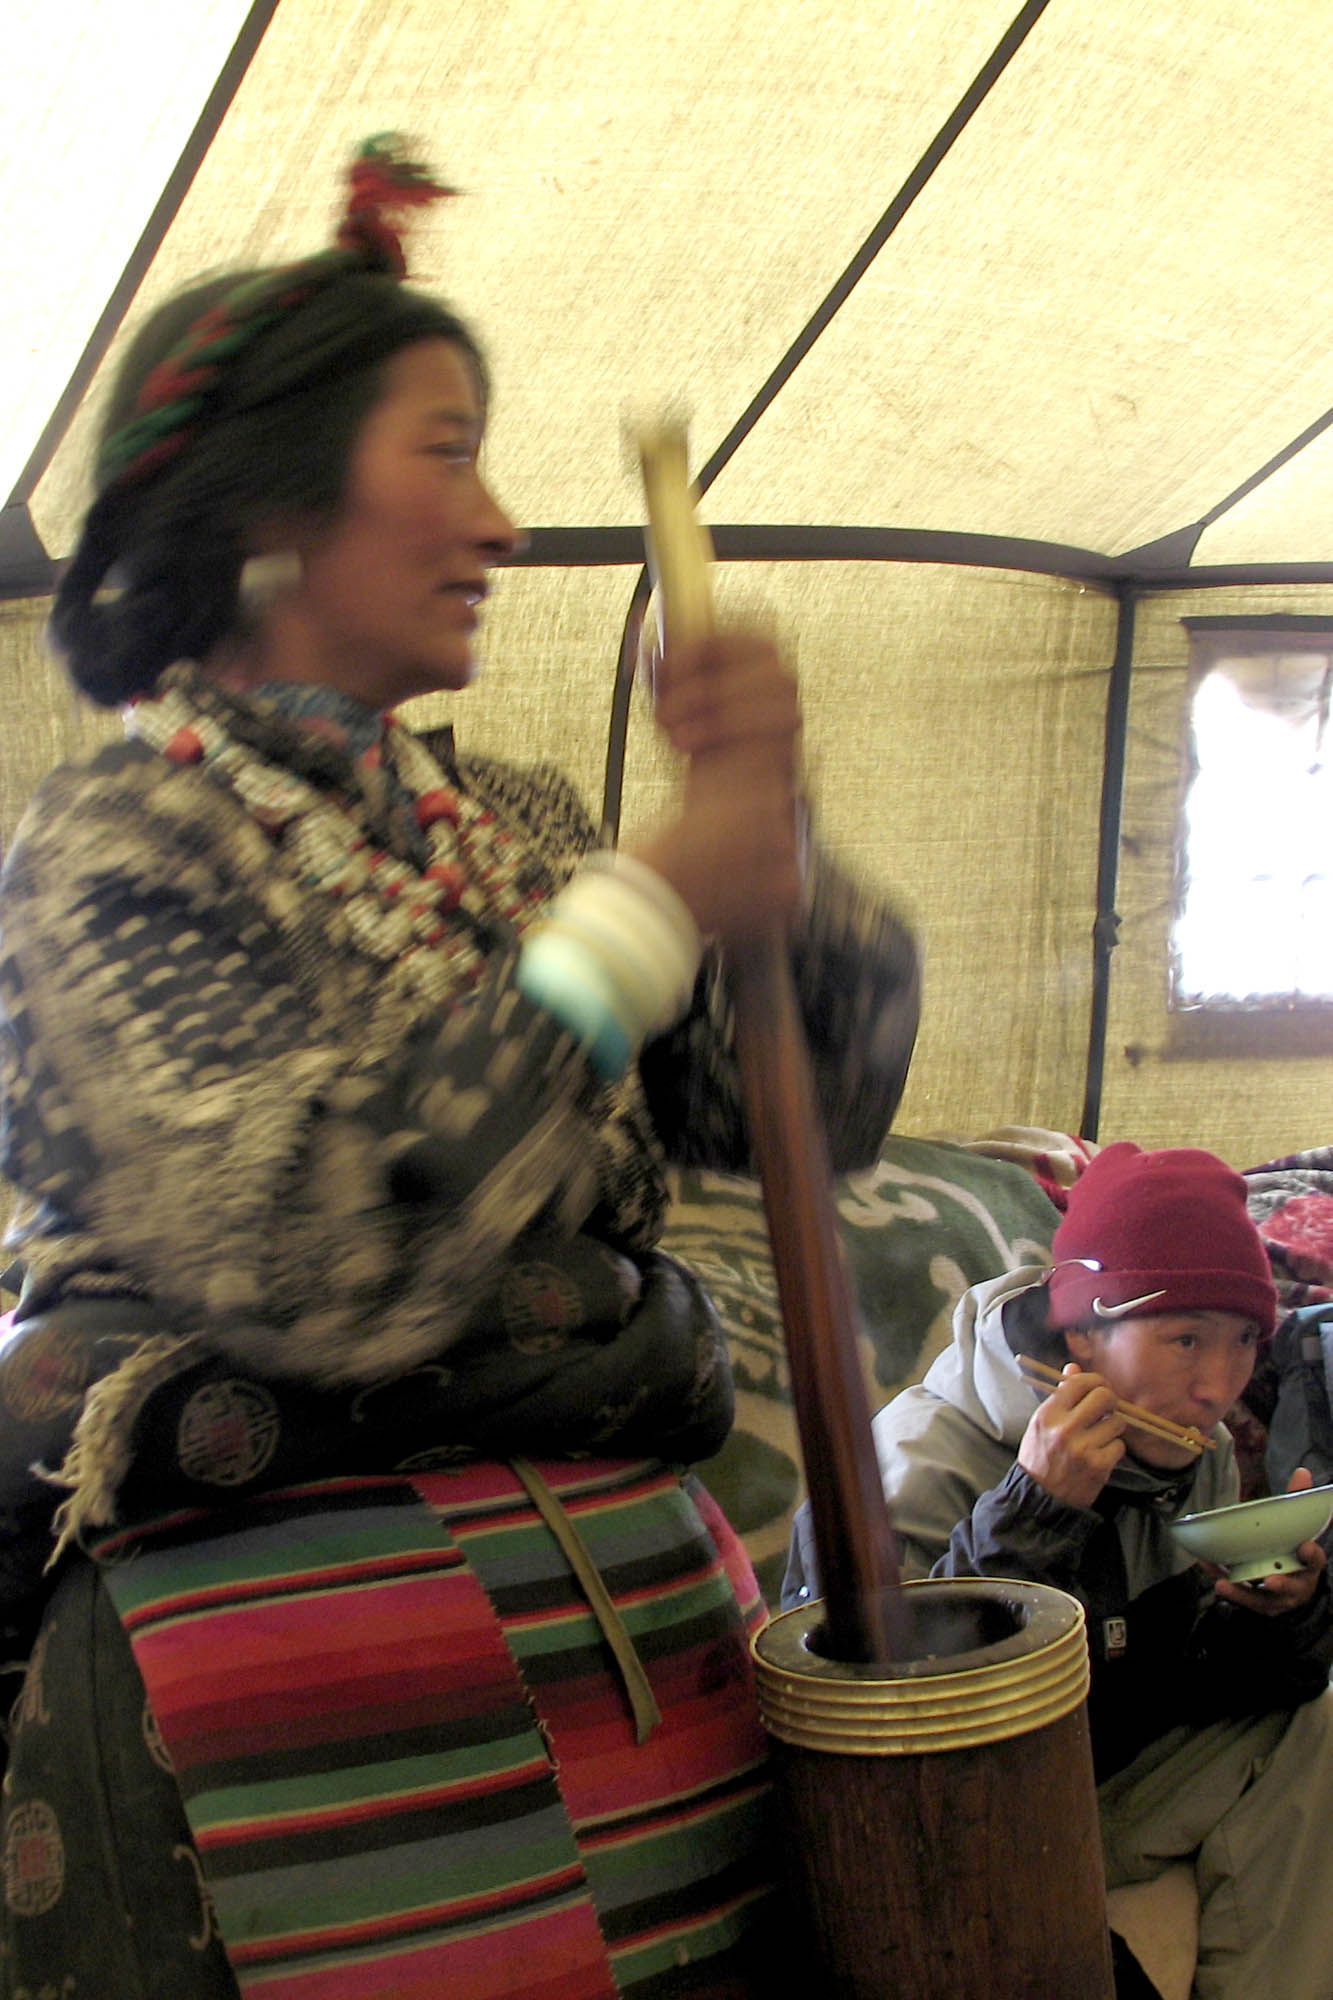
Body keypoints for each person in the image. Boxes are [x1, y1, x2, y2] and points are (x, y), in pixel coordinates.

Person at [0, 139, 920, 1998]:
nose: (499, 523)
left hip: (653, 1660)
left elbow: (782, 1117)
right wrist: (652, 900)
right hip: (295, 1733)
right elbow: (318, 1247)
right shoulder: (115, 846)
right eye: (442, 452)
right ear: (264, 498)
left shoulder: (501, 823)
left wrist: (772, 840)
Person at [784, 1140, 1333, 1999]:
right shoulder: (901, 1470)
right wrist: (1033, 1514)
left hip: (1097, 1773)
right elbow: (882, 1743)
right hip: (957, 1822)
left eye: (1241, 1343)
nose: (1216, 1387)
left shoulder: (1199, 1454)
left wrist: (1279, 1616)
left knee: (1319, 1716)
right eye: (1184, 1338)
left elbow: (1186, 1681)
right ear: (1081, 1327)